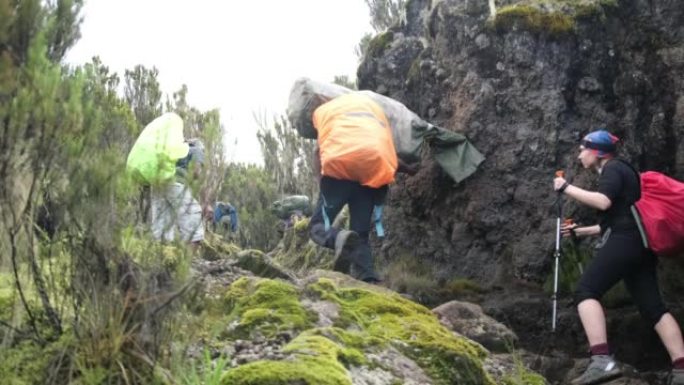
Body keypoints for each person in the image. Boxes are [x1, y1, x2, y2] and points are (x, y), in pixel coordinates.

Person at [553, 129, 684, 385]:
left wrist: (566, 187)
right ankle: (681, 370)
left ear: (597, 151)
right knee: (653, 308)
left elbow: (603, 203)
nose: (580, 154)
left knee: (586, 291)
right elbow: (618, 218)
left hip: (627, 241)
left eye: (583, 148)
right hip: (641, 245)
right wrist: (581, 232)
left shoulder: (612, 169)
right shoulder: (625, 172)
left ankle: (602, 361)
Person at [307, 93, 417, 284]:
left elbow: (318, 151)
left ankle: (339, 238)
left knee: (317, 227)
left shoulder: (327, 112)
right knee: (361, 234)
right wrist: (410, 170)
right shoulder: (373, 113)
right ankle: (369, 279)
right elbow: (385, 152)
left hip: (338, 173)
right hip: (369, 174)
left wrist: (321, 182)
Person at [150, 138, 207, 245]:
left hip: (158, 184)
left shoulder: (174, 150)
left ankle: (162, 259)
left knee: (161, 231)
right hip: (177, 185)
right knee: (194, 228)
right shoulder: (196, 150)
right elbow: (196, 172)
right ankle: (187, 261)